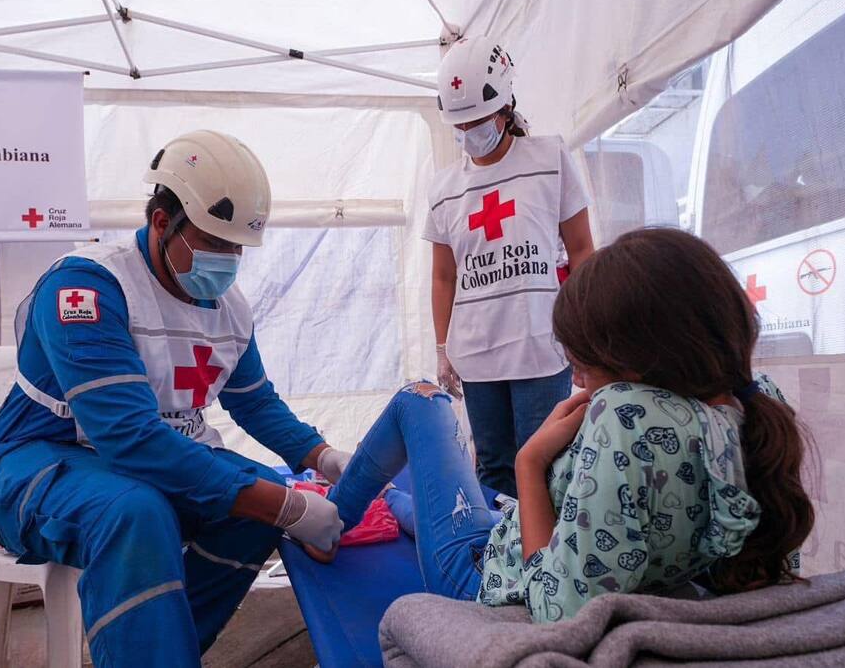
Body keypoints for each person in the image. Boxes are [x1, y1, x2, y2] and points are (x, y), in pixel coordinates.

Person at [0, 131, 353, 667]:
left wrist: (322, 458)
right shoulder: (86, 288)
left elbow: (255, 403)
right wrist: (288, 506)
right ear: (161, 222)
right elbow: (128, 438)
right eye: (213, 242)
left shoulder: (228, 308)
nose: (226, 260)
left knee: (259, 499)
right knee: (138, 512)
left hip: (149, 456)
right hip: (43, 457)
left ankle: (160, 649)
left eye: (236, 248)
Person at [321, 228, 816, 622]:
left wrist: (531, 464)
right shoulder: (756, 402)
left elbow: (560, 608)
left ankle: (327, 524)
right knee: (449, 510)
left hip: (480, 576)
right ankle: (385, 498)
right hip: (527, 534)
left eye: (582, 362)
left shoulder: (626, 415)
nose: (575, 377)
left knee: (420, 400)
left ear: (637, 362)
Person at [425, 35, 596, 497]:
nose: (468, 134)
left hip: (540, 344)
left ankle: (546, 564)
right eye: (458, 125)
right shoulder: (443, 189)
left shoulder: (549, 159)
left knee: (545, 465)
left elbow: (581, 250)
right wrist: (442, 347)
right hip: (478, 352)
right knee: (495, 471)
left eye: (478, 120)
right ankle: (500, 563)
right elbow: (444, 275)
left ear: (505, 108)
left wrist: (589, 337)